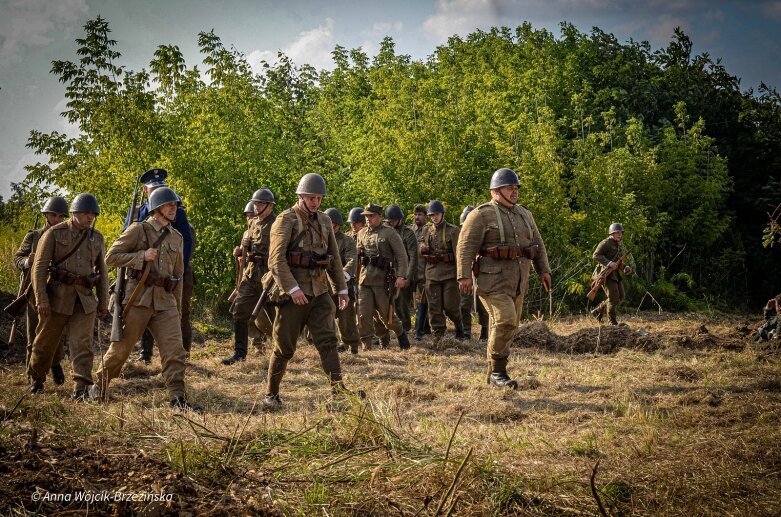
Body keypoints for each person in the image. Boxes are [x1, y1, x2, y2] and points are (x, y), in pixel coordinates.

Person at [92, 187, 199, 411]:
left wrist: (177, 310)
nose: (174, 208)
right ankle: (98, 387)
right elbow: (111, 257)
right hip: (138, 300)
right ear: (157, 208)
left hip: (165, 302)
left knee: (175, 351)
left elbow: (177, 277)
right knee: (121, 350)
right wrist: (141, 256)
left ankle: (177, 398)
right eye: (170, 205)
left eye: (175, 205)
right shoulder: (138, 230)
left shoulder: (177, 237)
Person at [263, 173, 357, 408]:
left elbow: (334, 258)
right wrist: (292, 289)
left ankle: (339, 392)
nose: (315, 202)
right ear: (300, 196)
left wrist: (342, 290)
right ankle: (271, 394)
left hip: (320, 290)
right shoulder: (286, 220)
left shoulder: (325, 221)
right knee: (284, 347)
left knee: (328, 341)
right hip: (293, 294)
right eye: (311, 197)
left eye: (319, 198)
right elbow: (276, 261)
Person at [457, 168, 552, 389]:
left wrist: (544, 271)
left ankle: (492, 375)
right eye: (509, 187)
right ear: (495, 191)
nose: (514, 191)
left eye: (516, 187)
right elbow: (465, 246)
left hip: (519, 281)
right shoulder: (481, 214)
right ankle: (499, 371)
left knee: (509, 326)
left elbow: (538, 245)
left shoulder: (525, 215)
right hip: (492, 282)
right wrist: (463, 276)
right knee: (505, 320)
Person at [27, 193, 109, 399]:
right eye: (85, 212)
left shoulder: (97, 237)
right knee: (45, 342)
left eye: (93, 213)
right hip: (56, 297)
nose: (90, 217)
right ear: (74, 213)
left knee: (83, 345)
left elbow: (103, 272)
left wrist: (104, 302)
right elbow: (39, 268)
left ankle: (80, 388)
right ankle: (36, 379)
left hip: (84, 299)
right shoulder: (54, 234)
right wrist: (41, 299)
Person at [126, 168, 194, 363]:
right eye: (153, 188)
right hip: (142, 272)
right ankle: (145, 354)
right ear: (146, 191)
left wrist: (176, 268)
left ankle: (182, 354)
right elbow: (126, 239)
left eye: (161, 188)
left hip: (171, 272)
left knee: (179, 313)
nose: (157, 192)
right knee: (143, 310)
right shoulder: (136, 212)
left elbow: (185, 242)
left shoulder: (177, 213)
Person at [13, 196, 69, 384]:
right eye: (54, 215)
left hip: (58, 292)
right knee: (34, 336)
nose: (58, 219)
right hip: (34, 293)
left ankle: (55, 363)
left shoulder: (66, 238)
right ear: (46, 215)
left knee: (57, 335)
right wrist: (28, 261)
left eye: (62, 216)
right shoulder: (34, 236)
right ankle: (34, 378)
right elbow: (18, 259)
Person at [223, 188, 276, 365]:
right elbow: (248, 248)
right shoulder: (252, 224)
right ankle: (239, 353)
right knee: (239, 311)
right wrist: (241, 250)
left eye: (260, 203)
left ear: (269, 206)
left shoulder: (276, 224)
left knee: (276, 314)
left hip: (270, 274)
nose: (256, 206)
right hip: (251, 273)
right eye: (255, 203)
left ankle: (281, 351)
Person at [355, 203, 412, 350]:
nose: (368, 219)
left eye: (372, 216)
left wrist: (401, 276)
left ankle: (401, 335)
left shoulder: (390, 233)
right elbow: (358, 257)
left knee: (387, 317)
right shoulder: (361, 233)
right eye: (366, 216)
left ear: (380, 217)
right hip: (365, 280)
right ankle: (366, 346)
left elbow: (402, 256)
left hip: (383, 281)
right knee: (363, 314)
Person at [420, 200, 466, 340]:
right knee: (434, 307)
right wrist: (422, 247)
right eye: (432, 215)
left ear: (442, 214)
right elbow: (421, 241)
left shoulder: (453, 231)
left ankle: (459, 326)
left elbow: (459, 254)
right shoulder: (427, 229)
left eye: (437, 214)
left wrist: (461, 275)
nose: (434, 217)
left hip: (449, 273)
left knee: (451, 306)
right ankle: (438, 336)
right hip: (432, 273)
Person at [324, 208, 361, 354]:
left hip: (341, 283)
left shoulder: (347, 241)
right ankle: (330, 343)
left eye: (331, 223)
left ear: (337, 224)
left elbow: (352, 259)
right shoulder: (320, 239)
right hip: (323, 284)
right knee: (324, 315)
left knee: (346, 318)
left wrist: (343, 276)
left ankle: (352, 345)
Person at [384, 205, 417, 334]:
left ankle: (406, 328)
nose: (390, 223)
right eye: (389, 221)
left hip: (404, 271)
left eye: (392, 221)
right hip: (390, 272)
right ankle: (395, 328)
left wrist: (407, 277)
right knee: (392, 302)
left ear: (399, 219)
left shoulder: (408, 233)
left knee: (403, 304)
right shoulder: (386, 230)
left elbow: (413, 257)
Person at [591, 223, 632, 326]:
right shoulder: (606, 243)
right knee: (613, 298)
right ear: (612, 233)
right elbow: (596, 255)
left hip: (615, 274)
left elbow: (618, 261)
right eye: (617, 232)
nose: (620, 234)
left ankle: (598, 311)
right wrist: (609, 263)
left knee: (621, 296)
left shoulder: (618, 244)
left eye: (621, 232)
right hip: (605, 274)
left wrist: (625, 268)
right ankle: (612, 323)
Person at [458, 205, 489, 341]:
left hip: (482, 272)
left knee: (483, 304)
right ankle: (466, 332)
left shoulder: (484, 234)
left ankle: (485, 330)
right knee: (464, 304)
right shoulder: (460, 236)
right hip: (467, 272)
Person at [410, 204, 432, 339]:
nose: (417, 217)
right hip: (411, 271)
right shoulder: (410, 230)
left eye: (420, 215)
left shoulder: (429, 229)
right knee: (414, 302)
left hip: (424, 271)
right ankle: (423, 328)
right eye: (416, 214)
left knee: (421, 301)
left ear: (425, 216)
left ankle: (419, 330)